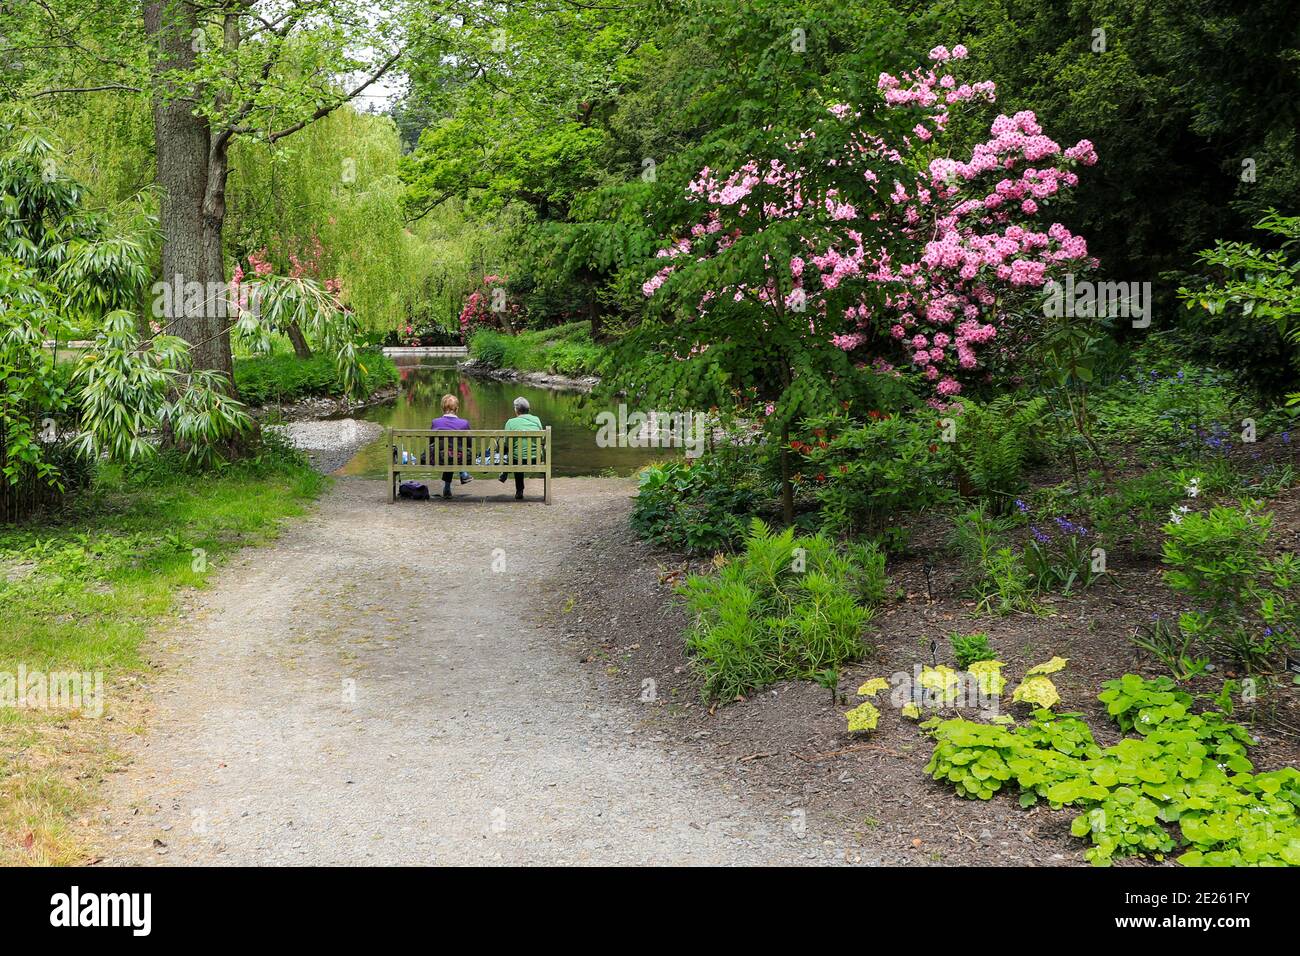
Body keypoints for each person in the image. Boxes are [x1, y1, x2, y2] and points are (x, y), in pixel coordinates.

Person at [429, 394, 473, 499]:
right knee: (454, 453)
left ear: (442, 408)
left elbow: (430, 441)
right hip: (458, 457)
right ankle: (463, 473)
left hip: (439, 457)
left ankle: (447, 488)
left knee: (447, 453)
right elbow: (470, 443)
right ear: (457, 409)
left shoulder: (435, 422)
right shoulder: (464, 423)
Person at [498, 396, 542, 500]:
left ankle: (519, 489)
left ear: (516, 410)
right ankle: (507, 473)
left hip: (517, 459)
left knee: (516, 455)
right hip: (536, 458)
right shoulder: (536, 420)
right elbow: (542, 438)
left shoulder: (510, 422)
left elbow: (506, 443)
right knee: (519, 453)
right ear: (529, 409)